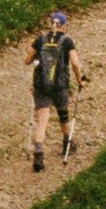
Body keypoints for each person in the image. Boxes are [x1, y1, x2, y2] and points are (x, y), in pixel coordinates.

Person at [26, 9, 79, 170]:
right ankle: (67, 143)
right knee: (63, 114)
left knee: (42, 119)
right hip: (60, 86)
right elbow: (75, 64)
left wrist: (36, 58)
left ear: (51, 24)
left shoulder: (40, 39)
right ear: (64, 25)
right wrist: (81, 80)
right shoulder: (67, 41)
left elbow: (27, 59)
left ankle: (39, 153)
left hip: (41, 85)